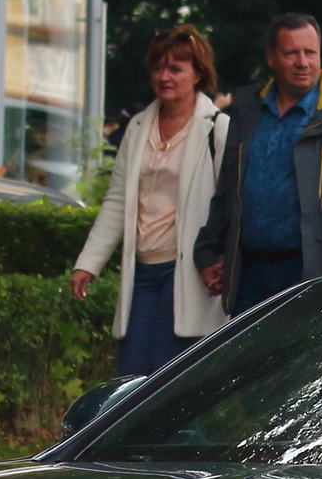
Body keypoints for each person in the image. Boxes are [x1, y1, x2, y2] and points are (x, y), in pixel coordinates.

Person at [195, 13, 322, 313]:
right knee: (251, 360)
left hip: (310, 274)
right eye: (292, 53)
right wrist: (208, 253)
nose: (303, 62)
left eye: (310, 52)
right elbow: (227, 192)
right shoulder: (248, 111)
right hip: (249, 273)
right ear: (271, 57)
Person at [70, 26, 230, 378]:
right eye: (158, 68)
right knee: (131, 375)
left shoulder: (217, 128)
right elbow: (117, 200)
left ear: (198, 74)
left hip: (186, 269)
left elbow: (231, 205)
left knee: (169, 376)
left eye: (176, 69)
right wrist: (88, 263)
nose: (164, 77)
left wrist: (218, 259)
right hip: (141, 269)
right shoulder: (139, 126)